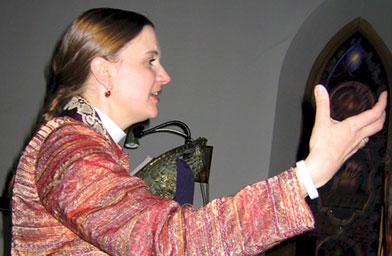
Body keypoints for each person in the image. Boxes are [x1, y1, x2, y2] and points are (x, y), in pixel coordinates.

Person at [10, 8, 387, 256]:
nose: (165, 75)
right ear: (104, 72)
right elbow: (167, 240)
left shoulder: (80, 144)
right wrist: (309, 174)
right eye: (150, 61)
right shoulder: (70, 149)